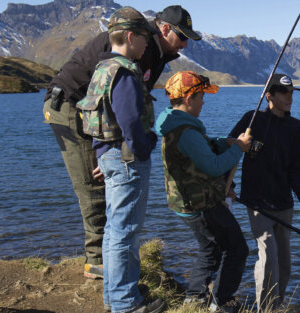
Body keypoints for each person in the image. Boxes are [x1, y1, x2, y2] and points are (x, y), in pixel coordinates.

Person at [41, 4, 201, 280]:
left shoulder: (156, 50)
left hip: (93, 111)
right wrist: (110, 152)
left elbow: (128, 105)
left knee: (104, 175)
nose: (185, 44)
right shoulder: (140, 44)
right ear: (164, 29)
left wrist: (111, 152)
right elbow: (121, 106)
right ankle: (97, 264)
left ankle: (111, 262)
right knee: (92, 183)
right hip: (69, 106)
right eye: (182, 36)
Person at [74, 7, 163, 313]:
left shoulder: (102, 68)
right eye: (144, 39)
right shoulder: (124, 72)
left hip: (110, 157)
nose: (147, 45)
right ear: (129, 36)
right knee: (126, 231)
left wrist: (103, 154)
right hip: (127, 161)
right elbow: (131, 125)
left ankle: (115, 296)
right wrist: (146, 145)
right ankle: (126, 304)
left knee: (114, 230)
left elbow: (101, 122)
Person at [156, 71, 252, 313]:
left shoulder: (174, 123)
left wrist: (223, 143)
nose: (204, 102)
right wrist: (239, 148)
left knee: (211, 249)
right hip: (200, 205)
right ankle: (219, 302)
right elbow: (214, 165)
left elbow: (203, 147)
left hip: (188, 202)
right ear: (189, 99)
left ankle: (195, 299)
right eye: (201, 97)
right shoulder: (186, 132)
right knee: (237, 249)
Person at [229, 74, 300, 311]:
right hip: (257, 202)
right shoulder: (252, 119)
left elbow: (297, 169)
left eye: (291, 93)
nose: (289, 97)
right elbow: (229, 150)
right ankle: (265, 308)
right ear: (269, 96)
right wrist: (229, 185)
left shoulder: (297, 128)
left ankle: (275, 305)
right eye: (283, 92)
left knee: (284, 263)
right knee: (267, 255)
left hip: (284, 204)